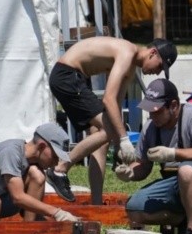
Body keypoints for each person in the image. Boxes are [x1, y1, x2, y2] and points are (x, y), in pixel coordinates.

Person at [46, 36, 178, 204]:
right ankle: (60, 170)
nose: (157, 72)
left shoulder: (130, 67)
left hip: (73, 77)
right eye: (160, 66)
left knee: (100, 137)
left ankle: (96, 202)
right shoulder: (128, 52)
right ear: (152, 53)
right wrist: (123, 139)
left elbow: (115, 104)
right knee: (107, 130)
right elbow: (108, 99)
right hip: (67, 75)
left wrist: (118, 146)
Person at [112, 78, 192, 234]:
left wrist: (172, 154)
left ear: (173, 105)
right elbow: (143, 166)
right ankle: (182, 221)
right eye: (149, 110)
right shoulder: (151, 127)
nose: (151, 115)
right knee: (133, 209)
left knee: (187, 170)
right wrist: (129, 173)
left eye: (156, 111)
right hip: (176, 184)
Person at [0, 122, 80, 223]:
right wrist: (57, 213)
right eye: (55, 156)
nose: (56, 161)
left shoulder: (28, 159)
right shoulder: (11, 152)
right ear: (41, 146)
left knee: (37, 175)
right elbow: (18, 198)